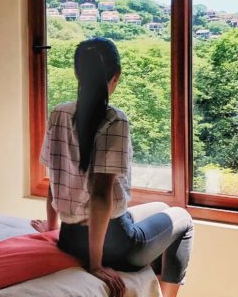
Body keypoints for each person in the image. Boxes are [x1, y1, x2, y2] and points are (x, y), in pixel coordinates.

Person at [31, 37, 194, 297]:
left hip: (69, 238)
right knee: (184, 220)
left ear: (76, 73)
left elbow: (55, 174)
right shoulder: (114, 119)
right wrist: (96, 265)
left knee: (163, 210)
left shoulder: (58, 113)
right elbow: (100, 194)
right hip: (115, 245)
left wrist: (53, 227)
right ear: (115, 76)